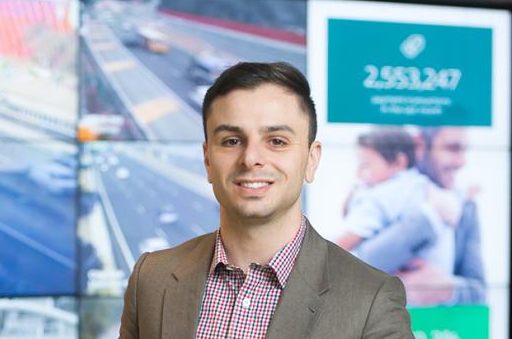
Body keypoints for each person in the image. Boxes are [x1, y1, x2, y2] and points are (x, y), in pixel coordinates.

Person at [119, 62, 413, 338]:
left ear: (311, 160)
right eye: (232, 141)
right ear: (208, 160)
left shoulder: (372, 299)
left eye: (276, 141)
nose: (251, 159)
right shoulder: (151, 278)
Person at [352, 127, 485, 305]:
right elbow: (356, 267)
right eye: (452, 148)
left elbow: (481, 293)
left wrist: (448, 290)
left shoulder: (465, 207)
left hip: (436, 329)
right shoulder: (376, 194)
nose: (462, 162)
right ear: (421, 145)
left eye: (464, 149)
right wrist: (430, 217)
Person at [335, 129, 460, 276]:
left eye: (365, 164)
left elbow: (348, 239)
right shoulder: (423, 186)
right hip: (435, 280)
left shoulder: (382, 195)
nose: (359, 173)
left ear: (399, 162)